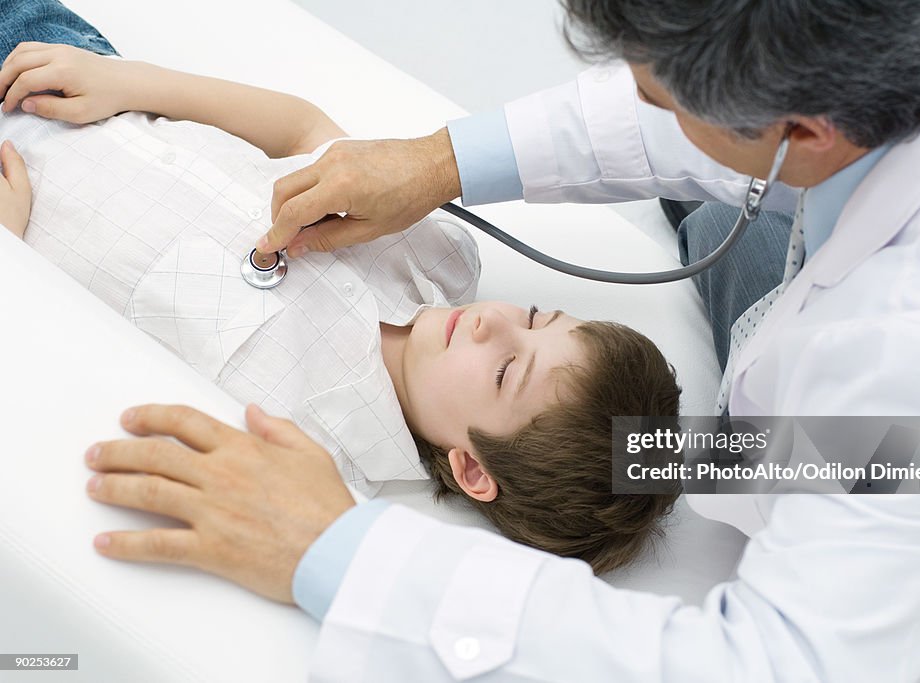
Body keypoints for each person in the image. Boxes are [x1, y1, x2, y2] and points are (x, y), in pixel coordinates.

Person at [5, 1, 920, 681]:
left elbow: (780, 660)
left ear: (802, 129)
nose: (639, 109)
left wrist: (340, 550)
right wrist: (440, 161)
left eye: (660, 99)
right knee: (724, 233)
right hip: (81, 101)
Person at [0, 36, 682, 572]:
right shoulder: (435, 255)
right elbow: (301, 129)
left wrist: (11, 258)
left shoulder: (310, 444)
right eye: (536, 318)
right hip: (63, 73)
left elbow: (81, 375)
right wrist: (127, 79)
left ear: (473, 467)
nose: (491, 320)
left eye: (506, 370)